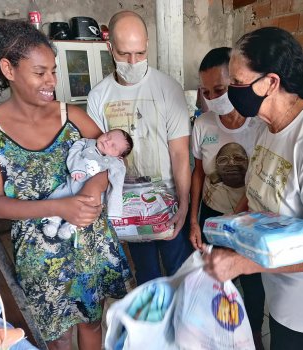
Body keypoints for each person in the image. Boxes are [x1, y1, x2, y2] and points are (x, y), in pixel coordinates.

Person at [0, 20, 132, 350]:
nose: (52, 82)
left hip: (90, 244)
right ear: (8, 69)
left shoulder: (71, 115)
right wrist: (58, 206)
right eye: (40, 73)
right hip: (42, 256)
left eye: (53, 71)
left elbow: (110, 158)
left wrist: (93, 189)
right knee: (59, 337)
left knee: (93, 322)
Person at [203, 27, 303, 350]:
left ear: (271, 82)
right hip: (278, 288)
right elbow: (256, 197)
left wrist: (245, 263)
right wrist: (226, 234)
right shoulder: (266, 127)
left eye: (237, 83)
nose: (231, 92)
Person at [87, 10, 193, 285]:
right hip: (128, 206)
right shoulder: (99, 97)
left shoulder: (168, 89)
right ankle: (154, 326)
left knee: (181, 273)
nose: (133, 62)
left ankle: (182, 327)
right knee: (147, 276)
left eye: (140, 53)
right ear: (109, 48)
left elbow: (180, 153)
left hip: (168, 203)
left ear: (148, 44)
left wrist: (183, 205)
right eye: (124, 54)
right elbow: (98, 156)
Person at [190, 47, 265, 349]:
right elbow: (198, 174)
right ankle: (223, 337)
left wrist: (239, 214)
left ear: (234, 82)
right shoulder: (203, 124)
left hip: (246, 221)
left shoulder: (258, 125)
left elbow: (260, 176)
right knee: (216, 281)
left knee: (252, 282)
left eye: (219, 89)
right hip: (212, 216)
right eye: (207, 92)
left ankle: (255, 336)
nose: (213, 97)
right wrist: (195, 220)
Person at [42, 129, 133, 240]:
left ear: (119, 156)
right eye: (108, 136)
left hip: (91, 196)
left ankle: (69, 226)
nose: (107, 142)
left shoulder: (115, 163)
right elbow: (74, 152)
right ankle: (53, 222)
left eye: (113, 146)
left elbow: (117, 185)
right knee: (59, 195)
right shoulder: (86, 143)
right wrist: (76, 168)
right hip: (73, 183)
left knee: (87, 211)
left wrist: (114, 210)